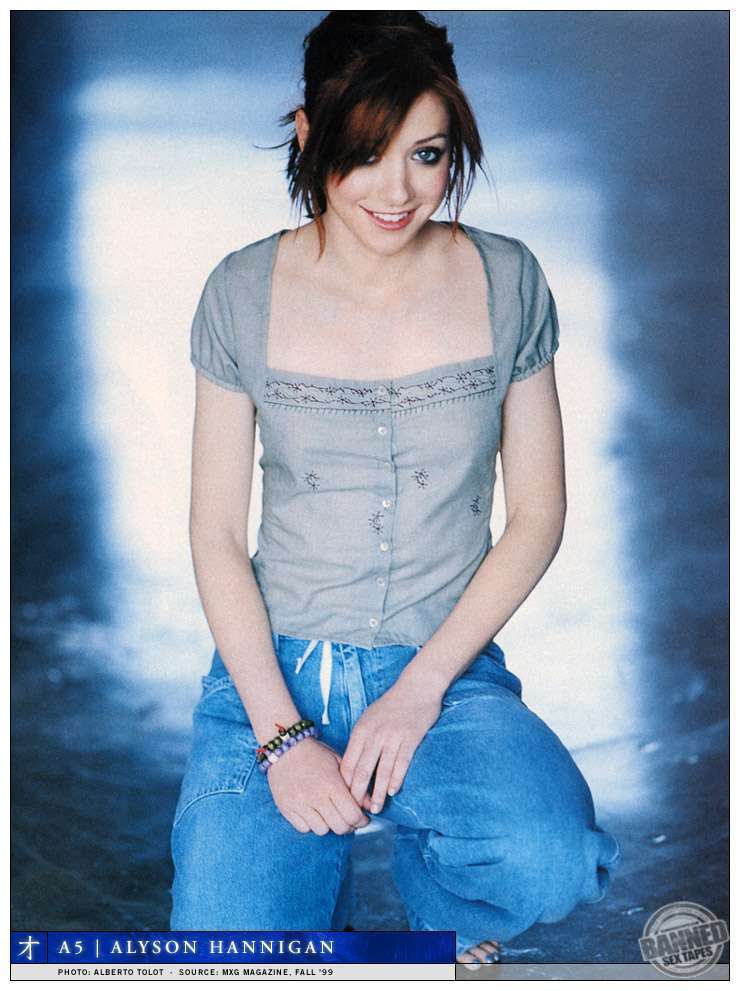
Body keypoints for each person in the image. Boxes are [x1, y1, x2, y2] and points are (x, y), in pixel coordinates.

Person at [169, 10, 621, 967]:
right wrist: (282, 738)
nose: (398, 190)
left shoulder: (507, 280)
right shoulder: (241, 291)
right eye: (366, 153)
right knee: (227, 957)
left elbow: (539, 514)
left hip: (442, 672)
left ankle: (436, 919)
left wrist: (419, 690)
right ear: (309, 135)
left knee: (549, 858)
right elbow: (214, 535)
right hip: (271, 677)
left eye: (427, 154)